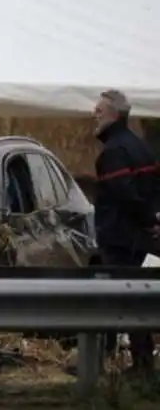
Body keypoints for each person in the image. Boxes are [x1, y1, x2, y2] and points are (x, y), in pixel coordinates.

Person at [93, 89, 159, 375]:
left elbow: (125, 194)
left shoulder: (114, 151)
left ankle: (137, 364)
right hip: (137, 237)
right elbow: (152, 191)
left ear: (115, 115)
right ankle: (142, 362)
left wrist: (147, 221)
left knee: (123, 300)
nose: (93, 115)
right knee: (135, 300)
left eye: (99, 111)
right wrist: (153, 221)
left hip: (120, 238)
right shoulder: (140, 147)